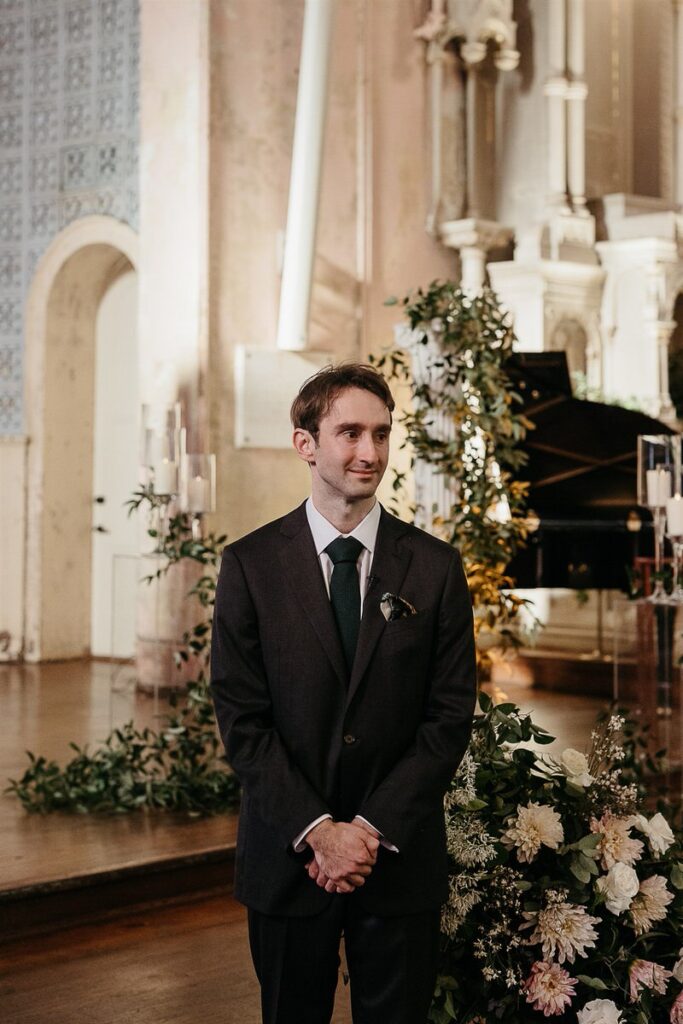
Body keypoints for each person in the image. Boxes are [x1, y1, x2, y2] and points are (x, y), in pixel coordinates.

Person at [210, 363, 477, 1024]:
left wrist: (365, 831)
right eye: (350, 433)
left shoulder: (434, 567)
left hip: (397, 859)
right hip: (286, 857)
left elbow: (447, 718)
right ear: (306, 443)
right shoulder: (249, 566)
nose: (370, 453)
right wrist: (317, 832)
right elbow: (242, 720)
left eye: (381, 434)